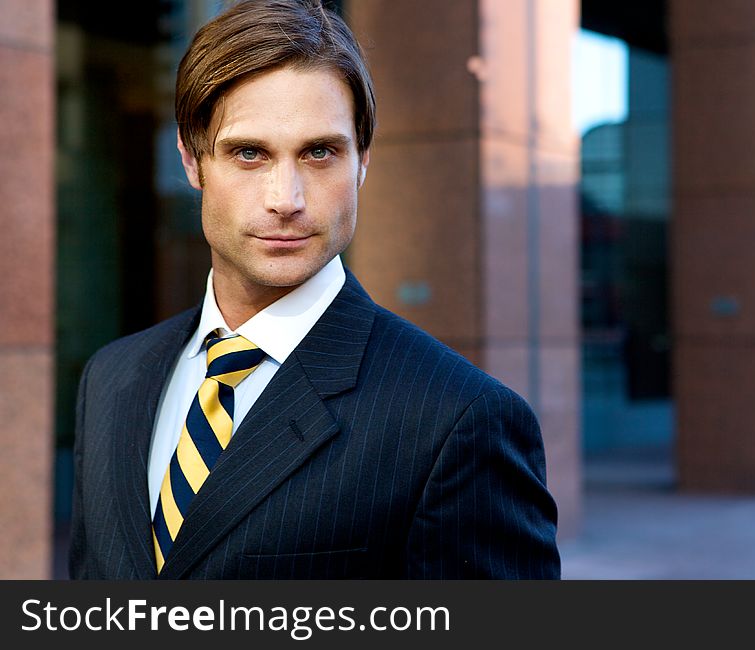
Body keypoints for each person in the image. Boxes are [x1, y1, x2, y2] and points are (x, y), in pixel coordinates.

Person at [69, 0, 560, 580]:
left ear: (362, 163)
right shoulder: (111, 377)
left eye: (320, 152)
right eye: (249, 153)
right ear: (192, 161)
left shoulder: (460, 419)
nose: (287, 198)